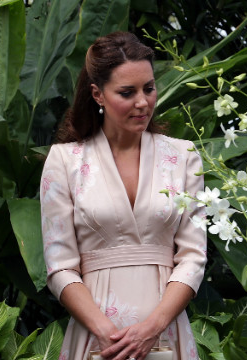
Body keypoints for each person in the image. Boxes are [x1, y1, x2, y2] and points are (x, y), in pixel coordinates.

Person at [40, 31, 206, 360]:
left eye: (149, 88)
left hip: (166, 333)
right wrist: (106, 332)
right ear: (97, 94)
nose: (143, 102)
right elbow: (60, 267)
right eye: (127, 92)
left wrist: (152, 327)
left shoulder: (184, 156)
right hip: (96, 338)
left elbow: (193, 256)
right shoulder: (64, 161)